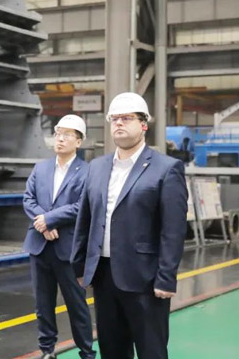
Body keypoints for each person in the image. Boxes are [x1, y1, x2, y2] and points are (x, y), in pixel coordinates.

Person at [71, 92, 188, 359]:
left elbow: (173, 230)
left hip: (146, 279)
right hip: (104, 276)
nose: (119, 123)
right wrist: (79, 266)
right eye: (114, 119)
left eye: (126, 118)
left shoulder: (166, 168)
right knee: (112, 350)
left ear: (143, 124)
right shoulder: (97, 167)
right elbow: (85, 219)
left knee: (151, 351)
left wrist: (166, 278)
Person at [23, 114, 95, 359]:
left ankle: (86, 352)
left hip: (69, 249)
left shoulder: (87, 172)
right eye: (58, 133)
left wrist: (50, 219)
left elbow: (81, 205)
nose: (60, 139)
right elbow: (28, 199)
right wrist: (43, 223)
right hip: (40, 246)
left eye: (67, 135)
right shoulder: (41, 168)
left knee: (76, 304)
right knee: (43, 305)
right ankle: (47, 350)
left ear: (79, 142)